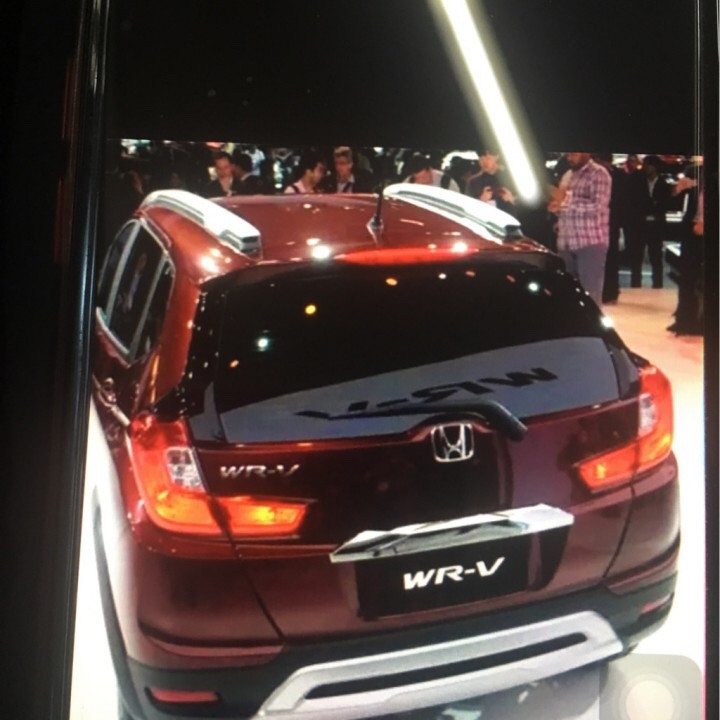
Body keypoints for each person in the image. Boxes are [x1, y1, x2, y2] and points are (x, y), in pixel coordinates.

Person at [548, 152, 611, 305]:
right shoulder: (567, 175)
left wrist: (565, 203)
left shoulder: (598, 174)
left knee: (590, 293)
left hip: (589, 241)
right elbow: (563, 205)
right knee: (568, 293)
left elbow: (598, 206)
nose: (569, 158)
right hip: (566, 242)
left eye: (574, 154)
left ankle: (591, 321)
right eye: (567, 155)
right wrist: (556, 208)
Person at [667, 166, 703, 335]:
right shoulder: (691, 188)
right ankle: (683, 319)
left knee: (698, 282)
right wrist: (678, 190)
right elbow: (673, 203)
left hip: (704, 237)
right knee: (686, 279)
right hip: (690, 234)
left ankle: (696, 320)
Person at [626, 154, 671, 288]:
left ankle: (657, 284)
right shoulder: (638, 182)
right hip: (639, 224)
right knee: (636, 255)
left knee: (656, 256)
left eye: (648, 165)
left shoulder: (663, 183)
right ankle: (635, 283)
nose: (645, 168)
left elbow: (665, 203)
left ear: (654, 167)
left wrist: (653, 207)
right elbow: (635, 201)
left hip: (656, 225)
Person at [594, 153, 631, 304]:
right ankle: (606, 291)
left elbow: (622, 201)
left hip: (610, 221)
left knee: (609, 258)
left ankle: (609, 291)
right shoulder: (619, 176)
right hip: (605, 221)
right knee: (603, 258)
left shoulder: (617, 177)